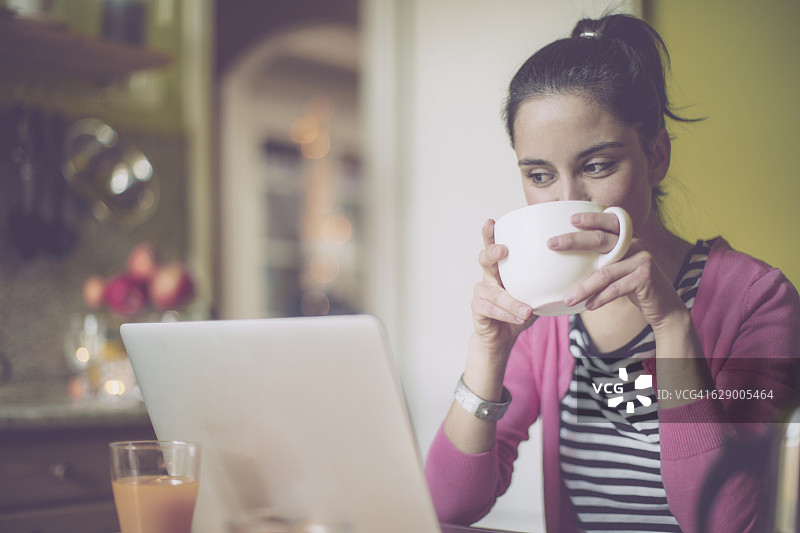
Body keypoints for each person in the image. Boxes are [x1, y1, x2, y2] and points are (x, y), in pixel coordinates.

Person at [424, 12, 800, 533]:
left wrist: (673, 327)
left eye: (597, 166)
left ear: (657, 157)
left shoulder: (758, 299)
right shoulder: (548, 317)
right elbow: (446, 508)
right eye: (539, 175)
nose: (568, 200)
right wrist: (488, 351)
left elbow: (729, 522)